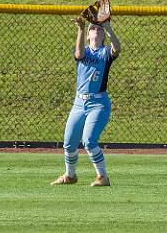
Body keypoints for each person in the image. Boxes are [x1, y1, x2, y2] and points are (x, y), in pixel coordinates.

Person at [51, 18, 121, 187]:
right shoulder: (85, 51)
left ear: (103, 35)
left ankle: (103, 177)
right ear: (89, 36)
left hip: (98, 104)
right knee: (68, 143)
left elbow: (117, 48)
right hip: (79, 103)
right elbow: (79, 54)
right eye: (92, 28)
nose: (95, 29)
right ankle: (70, 175)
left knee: (89, 140)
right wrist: (81, 29)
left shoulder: (105, 53)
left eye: (99, 28)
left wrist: (108, 27)